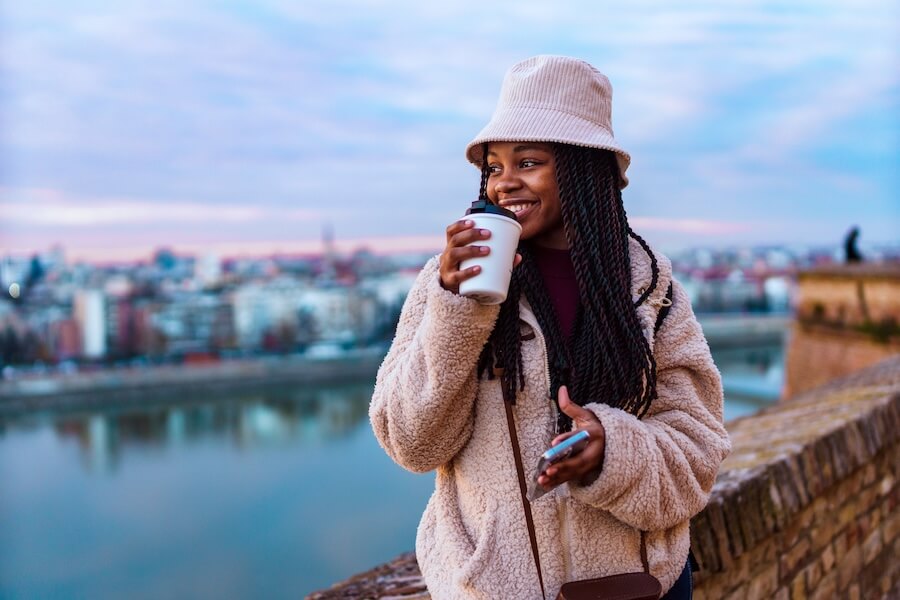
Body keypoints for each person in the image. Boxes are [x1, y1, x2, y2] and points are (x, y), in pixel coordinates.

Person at [370, 55, 731, 600]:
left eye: (528, 162)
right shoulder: (446, 279)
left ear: (582, 168)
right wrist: (458, 310)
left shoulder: (647, 285)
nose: (503, 183)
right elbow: (411, 444)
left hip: (639, 589)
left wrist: (612, 451)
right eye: (493, 166)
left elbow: (697, 451)